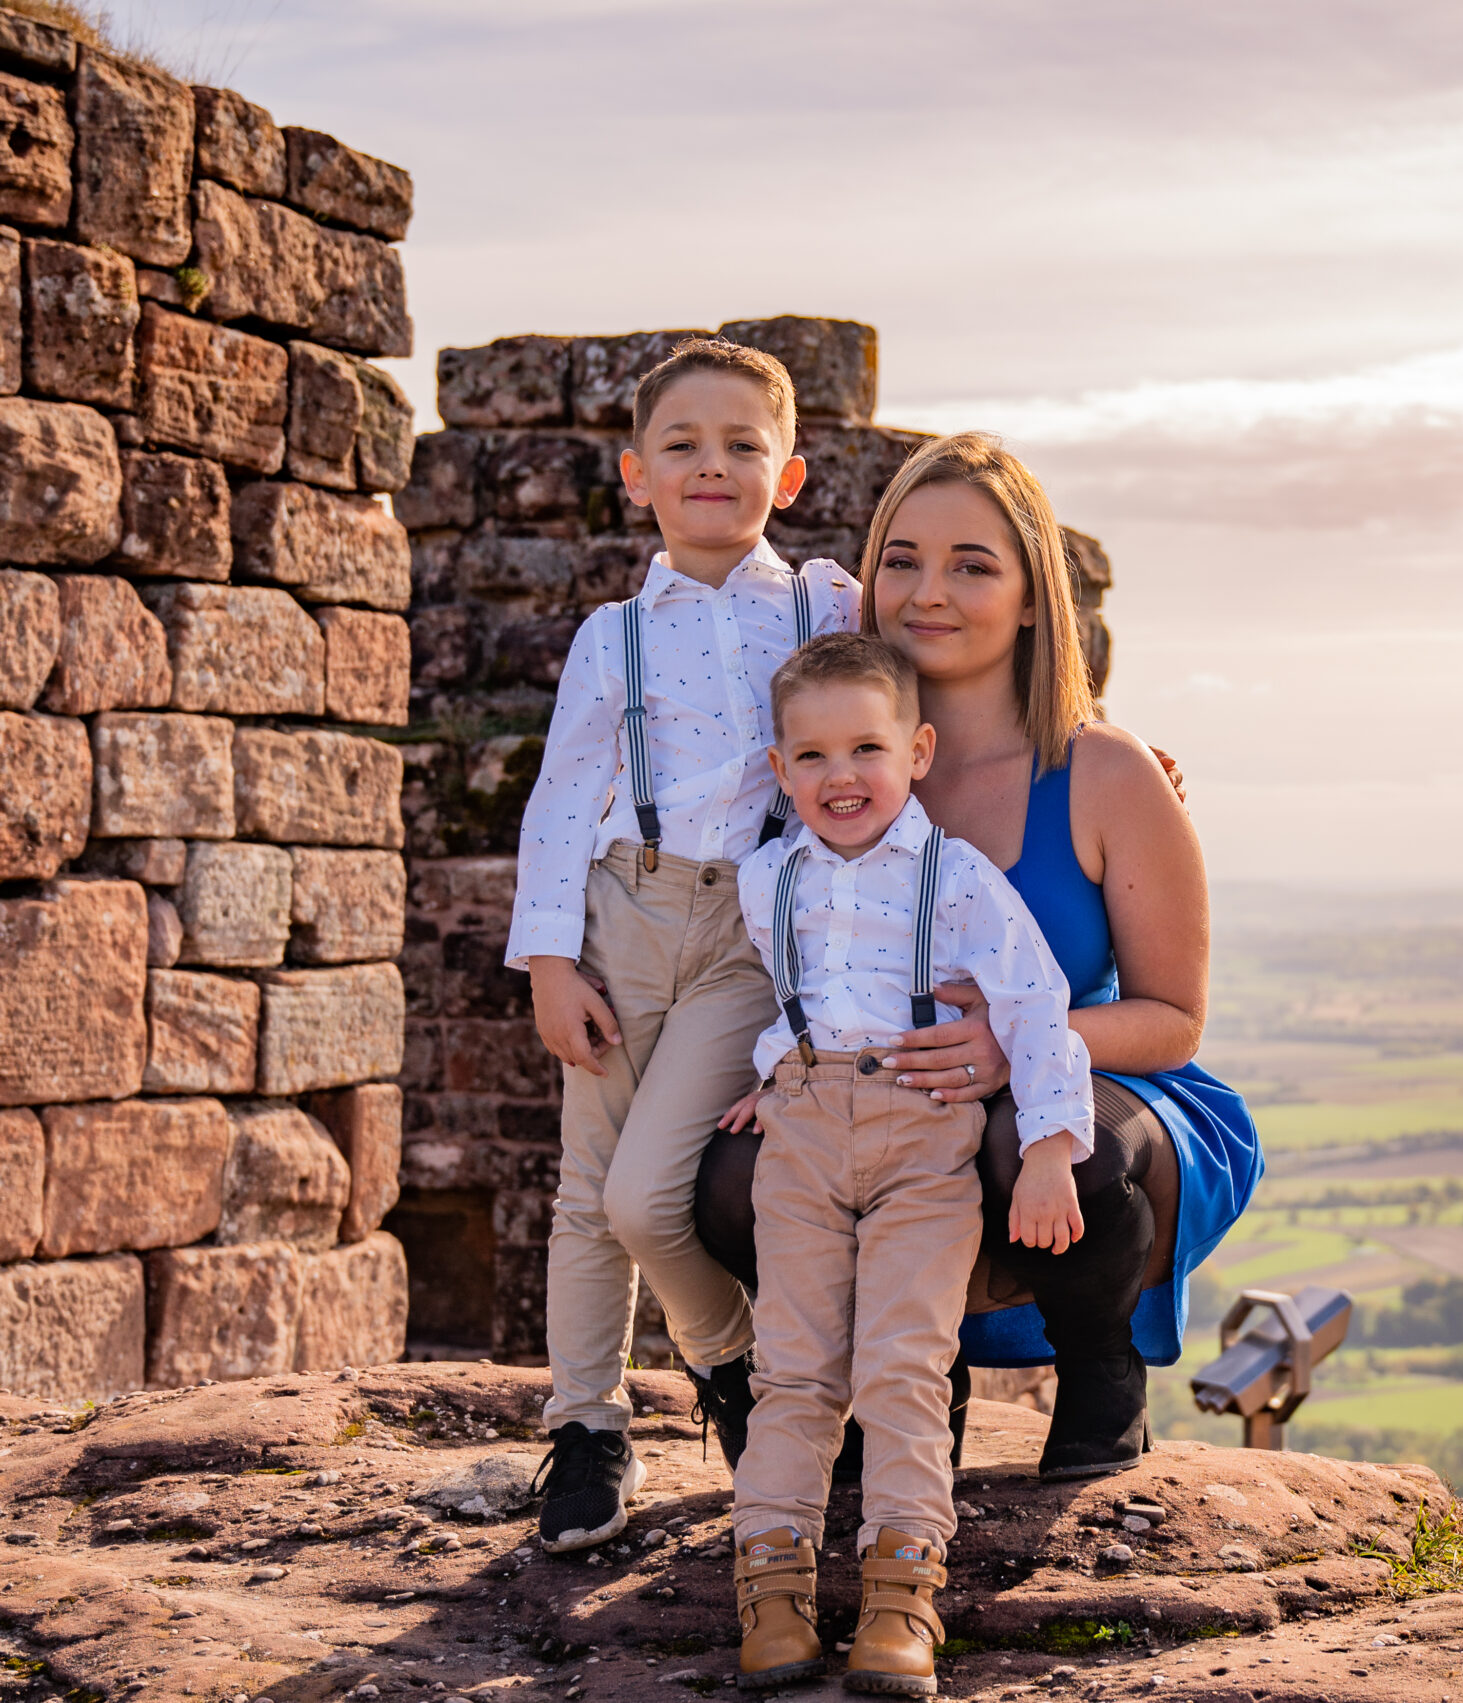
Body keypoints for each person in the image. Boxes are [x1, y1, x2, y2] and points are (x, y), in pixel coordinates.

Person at [696, 431, 1263, 1482]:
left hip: (1101, 1087)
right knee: (733, 1177)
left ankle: (1101, 1376)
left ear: (1034, 597)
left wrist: (1012, 1040)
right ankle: (909, 1385)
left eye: (973, 564)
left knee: (1042, 1139)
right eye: (902, 558)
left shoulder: (1102, 771)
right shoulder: (828, 762)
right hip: (880, 1095)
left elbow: (1174, 1016)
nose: (928, 591)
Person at [505, 339, 857, 1552]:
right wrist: (551, 959)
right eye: (683, 445)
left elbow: (950, 679)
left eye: (742, 444)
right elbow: (562, 796)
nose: (714, 465)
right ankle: (588, 1425)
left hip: (749, 934)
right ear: (635, 473)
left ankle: (733, 1367)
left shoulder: (824, 603)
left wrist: (1099, 727)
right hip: (624, 911)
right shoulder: (614, 634)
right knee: (584, 1187)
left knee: (650, 1196)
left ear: (791, 471)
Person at [719, 632, 1090, 1694]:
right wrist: (773, 1069)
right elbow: (802, 994)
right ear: (781, 768)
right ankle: (773, 1585)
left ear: (917, 750)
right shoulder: (766, 880)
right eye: (813, 757)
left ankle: (901, 1591)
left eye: (867, 748)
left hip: (921, 1135)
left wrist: (1051, 1149)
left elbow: (1034, 1006)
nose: (842, 777)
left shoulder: (957, 877)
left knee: (899, 1364)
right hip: (800, 1134)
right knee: (790, 1365)